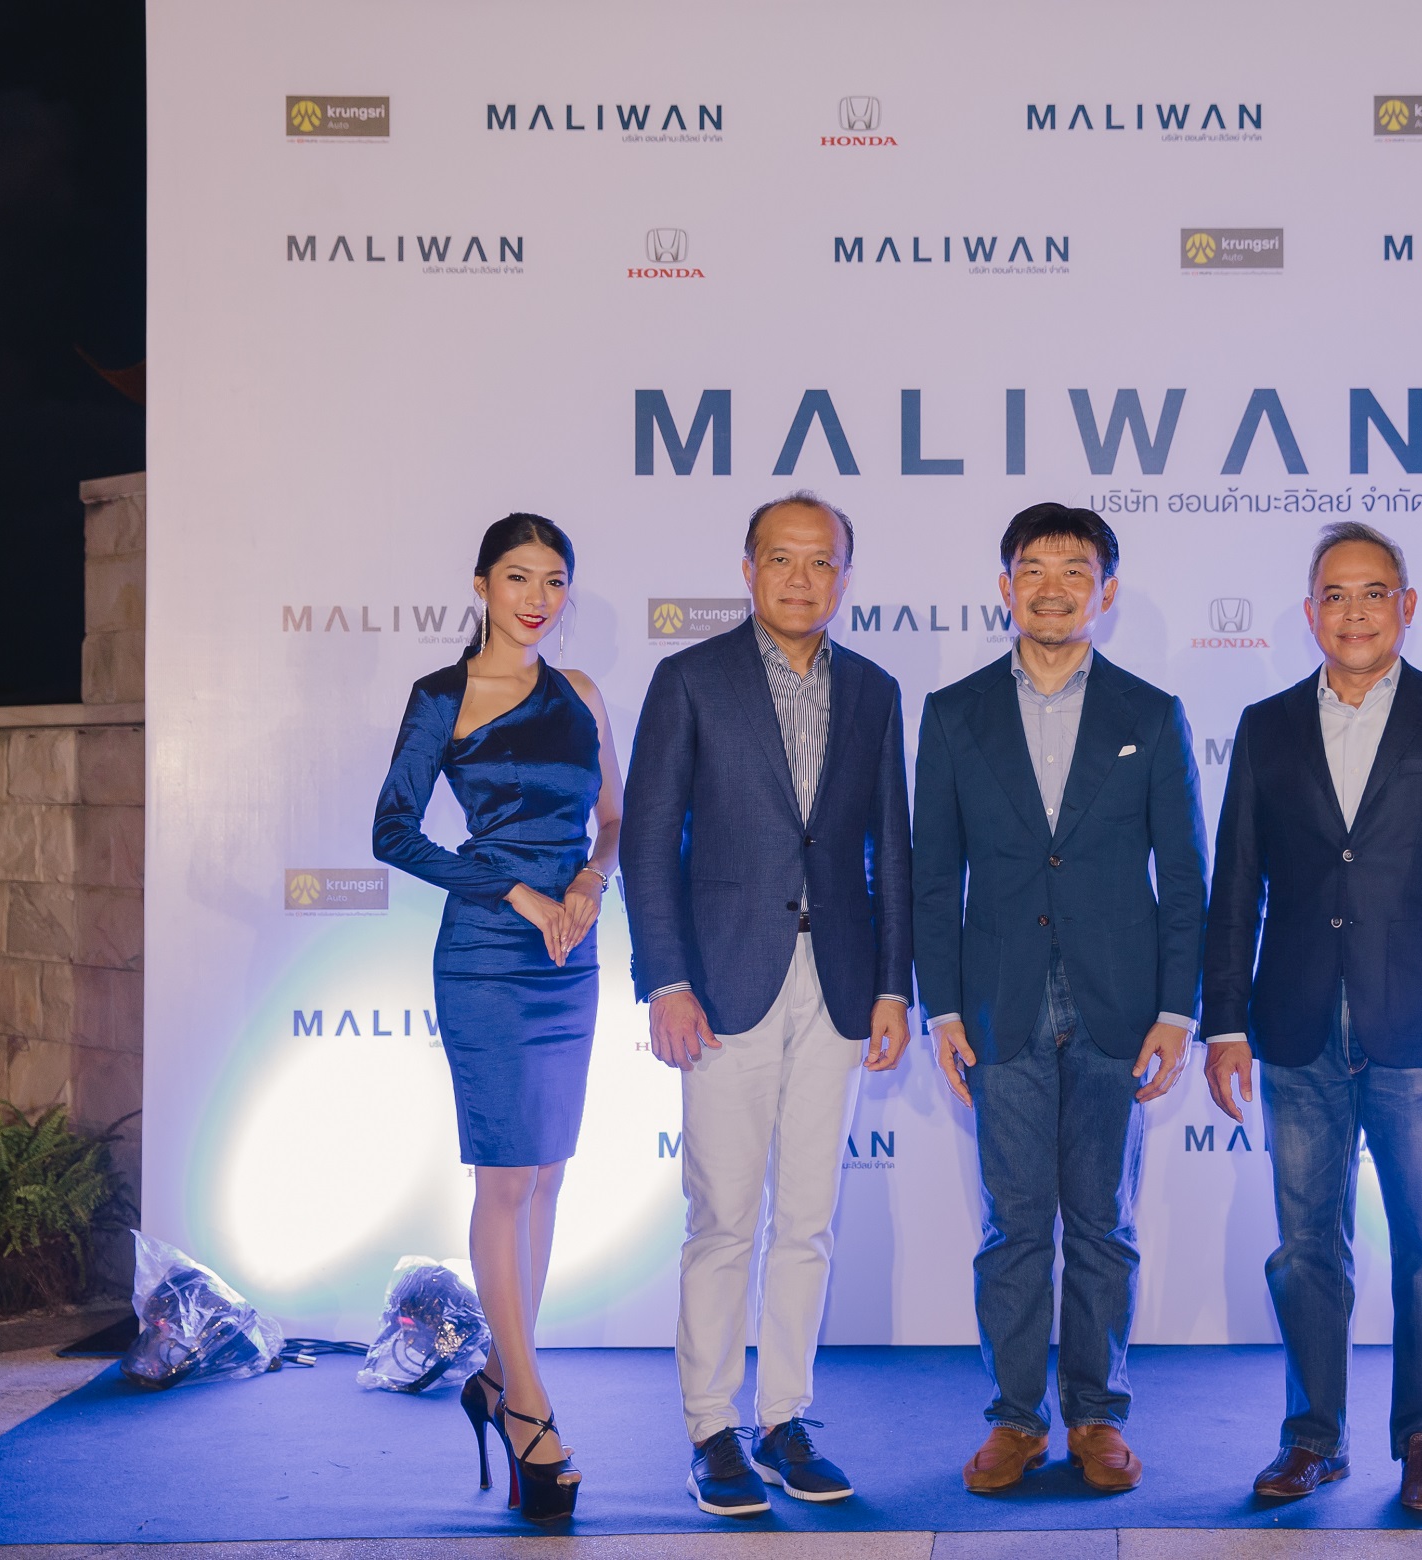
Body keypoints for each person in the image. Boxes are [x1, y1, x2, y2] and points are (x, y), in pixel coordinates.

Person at [1202, 520, 1422, 1518]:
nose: (1355, 612)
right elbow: (1235, 883)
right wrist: (1224, 1021)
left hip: (1419, 1026)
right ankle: (1313, 1438)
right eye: (1335, 595)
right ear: (1310, 613)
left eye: (1374, 592)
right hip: (1293, 1025)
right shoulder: (1265, 726)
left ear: (1406, 606)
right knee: (1305, 1249)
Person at [620, 492, 913, 1519]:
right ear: (748, 570)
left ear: (845, 577)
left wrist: (893, 985)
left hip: (839, 987)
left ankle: (786, 1418)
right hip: (722, 986)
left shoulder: (874, 690)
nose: (802, 578)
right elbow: (648, 841)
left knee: (809, 1221)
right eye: (781, 559)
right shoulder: (690, 680)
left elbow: (892, 849)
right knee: (723, 1221)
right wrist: (666, 981)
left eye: (821, 561)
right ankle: (712, 1428)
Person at [913, 503, 1208, 1496]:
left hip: (1120, 1007)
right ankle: (1014, 1419)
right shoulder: (954, 714)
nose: (1051, 588)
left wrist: (1177, 1011)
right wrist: (943, 1010)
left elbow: (1185, 876)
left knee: (1103, 1222)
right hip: (998, 1007)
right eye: (1032, 570)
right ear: (1005, 587)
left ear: (1105, 592)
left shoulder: (1150, 714)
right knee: (1013, 1226)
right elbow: (931, 876)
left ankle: (1096, 1414)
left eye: (1074, 570)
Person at [372, 513, 623, 1524]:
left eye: (555, 580)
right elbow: (392, 830)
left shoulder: (584, 694)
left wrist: (592, 882)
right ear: (481, 584)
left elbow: (614, 820)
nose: (538, 598)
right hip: (486, 949)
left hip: (572, 952)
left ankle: (500, 1377)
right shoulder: (442, 696)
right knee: (506, 1175)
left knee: (549, 1171)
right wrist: (514, 891)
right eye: (519, 577)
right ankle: (527, 1405)